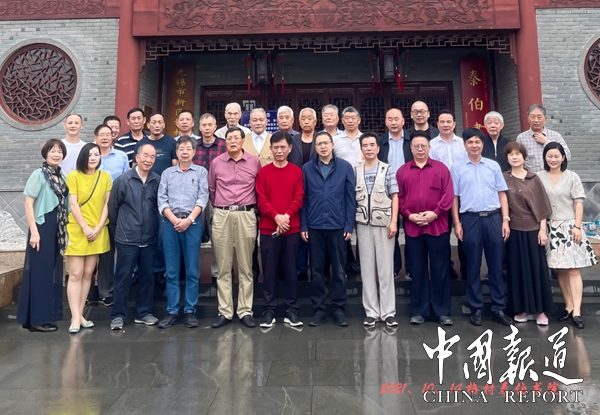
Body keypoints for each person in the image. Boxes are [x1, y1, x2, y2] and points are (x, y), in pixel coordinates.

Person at [451, 128, 512, 327]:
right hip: (470, 220)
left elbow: (502, 194)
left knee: (495, 265)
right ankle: (475, 307)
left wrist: (505, 220)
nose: (474, 145)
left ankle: (498, 308)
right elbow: (454, 198)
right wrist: (457, 223)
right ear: (465, 145)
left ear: (482, 144)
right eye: (470, 142)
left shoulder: (493, 166)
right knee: (473, 265)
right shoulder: (457, 168)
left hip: (493, 218)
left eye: (477, 141)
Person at [537, 142, 597, 329]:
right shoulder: (539, 177)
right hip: (551, 227)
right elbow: (539, 204)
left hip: (570, 226)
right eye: (549, 156)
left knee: (573, 269)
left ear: (563, 157)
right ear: (545, 157)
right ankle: (568, 305)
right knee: (560, 269)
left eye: (557, 156)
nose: (553, 159)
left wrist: (577, 227)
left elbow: (579, 203)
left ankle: (577, 312)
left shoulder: (572, 176)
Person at [397, 132, 454, 326]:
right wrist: (409, 215)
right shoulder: (403, 171)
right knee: (417, 270)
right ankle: (419, 311)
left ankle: (442, 311)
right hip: (413, 228)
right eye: (416, 146)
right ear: (411, 148)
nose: (420, 149)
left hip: (438, 226)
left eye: (423, 146)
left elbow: (448, 195)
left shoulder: (441, 169)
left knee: (440, 269)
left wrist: (435, 213)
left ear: (429, 148)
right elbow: (399, 197)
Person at [209, 127, 262, 329]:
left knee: (246, 266)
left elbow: (259, 188)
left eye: (236, 138)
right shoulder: (217, 162)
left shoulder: (254, 162)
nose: (232, 141)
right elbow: (212, 189)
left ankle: (245, 310)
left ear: (242, 141)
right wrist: (222, 207)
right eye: (229, 138)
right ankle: (225, 311)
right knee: (223, 266)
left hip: (246, 213)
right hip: (222, 214)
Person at [301, 131, 355, 327]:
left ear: (332, 145)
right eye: (319, 144)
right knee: (316, 271)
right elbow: (304, 199)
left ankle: (339, 309)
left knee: (339, 270)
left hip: (337, 226)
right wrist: (304, 224)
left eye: (326, 143)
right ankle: (319, 309)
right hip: (314, 226)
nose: (323, 146)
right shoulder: (307, 168)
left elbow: (350, 198)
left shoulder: (345, 167)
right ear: (315, 147)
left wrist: (349, 224)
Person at [17, 139, 69, 332]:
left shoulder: (62, 175)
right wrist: (34, 232)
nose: (56, 154)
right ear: (45, 153)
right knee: (40, 273)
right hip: (42, 227)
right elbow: (28, 203)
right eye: (52, 151)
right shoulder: (39, 174)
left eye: (59, 151)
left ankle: (41, 316)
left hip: (57, 228)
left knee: (50, 272)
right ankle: (38, 320)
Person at [157, 136, 209, 329]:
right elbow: (161, 199)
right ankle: (172, 311)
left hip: (192, 223)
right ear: (176, 152)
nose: (185, 152)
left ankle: (190, 311)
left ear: (194, 152)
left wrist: (188, 220)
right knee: (171, 270)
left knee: (192, 269)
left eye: (188, 149)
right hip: (170, 223)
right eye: (181, 149)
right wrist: (174, 220)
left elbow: (203, 198)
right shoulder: (167, 173)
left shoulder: (201, 172)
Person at [109, 144, 161, 330]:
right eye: (145, 155)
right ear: (137, 157)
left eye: (152, 156)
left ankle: (143, 313)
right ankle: (118, 315)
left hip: (149, 238)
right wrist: (122, 229)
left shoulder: (156, 180)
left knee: (147, 277)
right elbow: (113, 209)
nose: (149, 159)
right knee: (123, 278)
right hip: (127, 238)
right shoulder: (124, 180)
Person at [256, 132, 304, 328]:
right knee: (269, 270)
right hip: (269, 228)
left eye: (283, 147)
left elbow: (299, 197)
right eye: (275, 147)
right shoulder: (263, 172)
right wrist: (276, 216)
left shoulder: (297, 172)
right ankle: (269, 309)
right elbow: (261, 200)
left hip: (291, 228)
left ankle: (291, 309)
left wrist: (286, 217)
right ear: (270, 149)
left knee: (291, 269)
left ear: (290, 148)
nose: (279, 151)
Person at [502, 141, 553, 326]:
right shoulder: (503, 178)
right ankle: (523, 309)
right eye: (511, 154)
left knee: (537, 270)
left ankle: (540, 311)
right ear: (507, 158)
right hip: (514, 230)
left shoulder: (533, 178)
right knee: (517, 270)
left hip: (533, 230)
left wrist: (542, 230)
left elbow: (542, 207)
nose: (514, 157)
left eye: (518, 154)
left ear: (524, 157)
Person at [65, 142, 112, 333]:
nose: (93, 158)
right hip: (77, 229)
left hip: (97, 230)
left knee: (87, 274)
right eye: (90, 154)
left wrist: (99, 227)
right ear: (83, 156)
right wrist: (84, 227)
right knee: (75, 273)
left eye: (96, 154)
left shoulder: (105, 177)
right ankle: (75, 316)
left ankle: (81, 314)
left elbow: (106, 204)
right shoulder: (73, 176)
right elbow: (73, 204)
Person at [355, 132, 399, 327]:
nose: (369, 148)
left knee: (385, 269)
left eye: (372, 145)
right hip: (363, 224)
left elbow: (395, 196)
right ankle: (371, 312)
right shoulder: (356, 170)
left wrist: (394, 222)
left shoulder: (387, 169)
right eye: (365, 145)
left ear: (378, 148)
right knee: (367, 269)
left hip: (384, 224)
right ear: (361, 149)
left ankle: (388, 312)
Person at [430, 110, 468, 279]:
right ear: (437, 124)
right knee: (443, 234)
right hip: (441, 196)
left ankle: (466, 268)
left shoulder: (462, 144)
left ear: (454, 124)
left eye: (448, 122)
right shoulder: (432, 145)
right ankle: (447, 268)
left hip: (463, 194)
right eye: (442, 122)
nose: (445, 125)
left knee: (464, 232)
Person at [95, 123, 129, 307]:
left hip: (118, 207)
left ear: (113, 137)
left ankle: (122, 288)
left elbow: (127, 181)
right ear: (95, 138)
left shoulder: (121, 156)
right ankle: (105, 291)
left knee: (122, 248)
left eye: (108, 134)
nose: (105, 137)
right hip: (95, 207)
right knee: (105, 251)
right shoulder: (92, 156)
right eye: (101, 134)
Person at [377, 108, 412, 279]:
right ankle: (395, 267)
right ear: (385, 122)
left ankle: (411, 268)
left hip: (410, 189)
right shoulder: (381, 141)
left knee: (412, 230)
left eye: (396, 119)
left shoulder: (412, 140)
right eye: (389, 119)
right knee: (391, 231)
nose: (393, 122)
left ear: (403, 121)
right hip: (388, 191)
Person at [516, 104, 571, 173]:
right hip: (531, 177)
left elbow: (567, 157)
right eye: (532, 117)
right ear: (528, 119)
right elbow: (517, 160)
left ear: (545, 119)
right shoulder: (521, 138)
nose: (536, 120)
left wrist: (547, 142)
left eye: (539, 117)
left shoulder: (555, 136)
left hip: (552, 177)